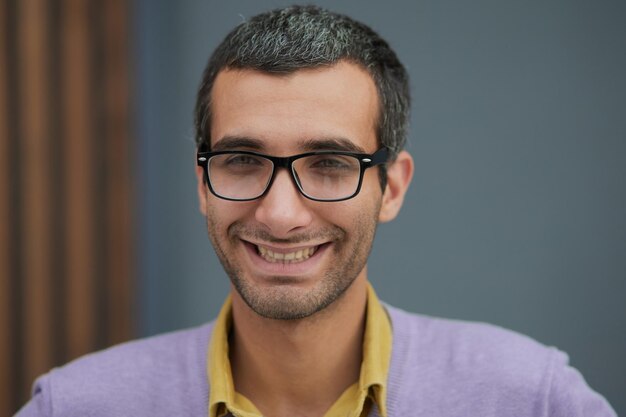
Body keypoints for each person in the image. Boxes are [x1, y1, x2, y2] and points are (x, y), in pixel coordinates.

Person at [17, 5, 616, 417]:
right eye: (243, 161)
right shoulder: (75, 406)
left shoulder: (529, 399)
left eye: (329, 164)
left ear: (393, 187)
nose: (280, 215)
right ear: (202, 183)